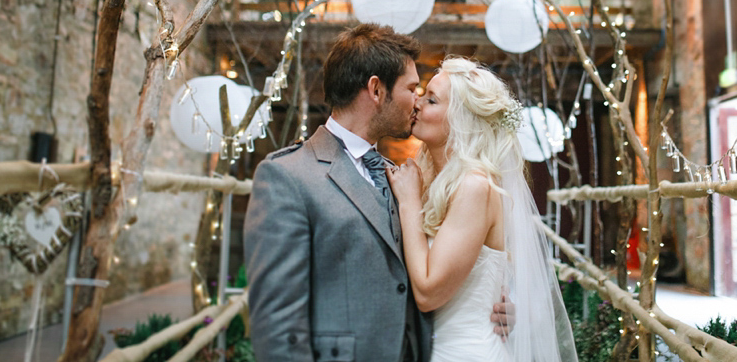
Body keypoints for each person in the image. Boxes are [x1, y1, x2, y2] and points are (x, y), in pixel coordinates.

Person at [243, 24, 510, 362]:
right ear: (376, 90)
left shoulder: (403, 178)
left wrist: (492, 307)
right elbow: (278, 327)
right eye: (413, 89)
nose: (416, 102)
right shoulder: (288, 176)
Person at [386, 57, 577, 362]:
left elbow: (428, 293)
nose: (417, 104)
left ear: (462, 120)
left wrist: (409, 205)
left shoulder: (475, 187)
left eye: (432, 100)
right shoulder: (428, 181)